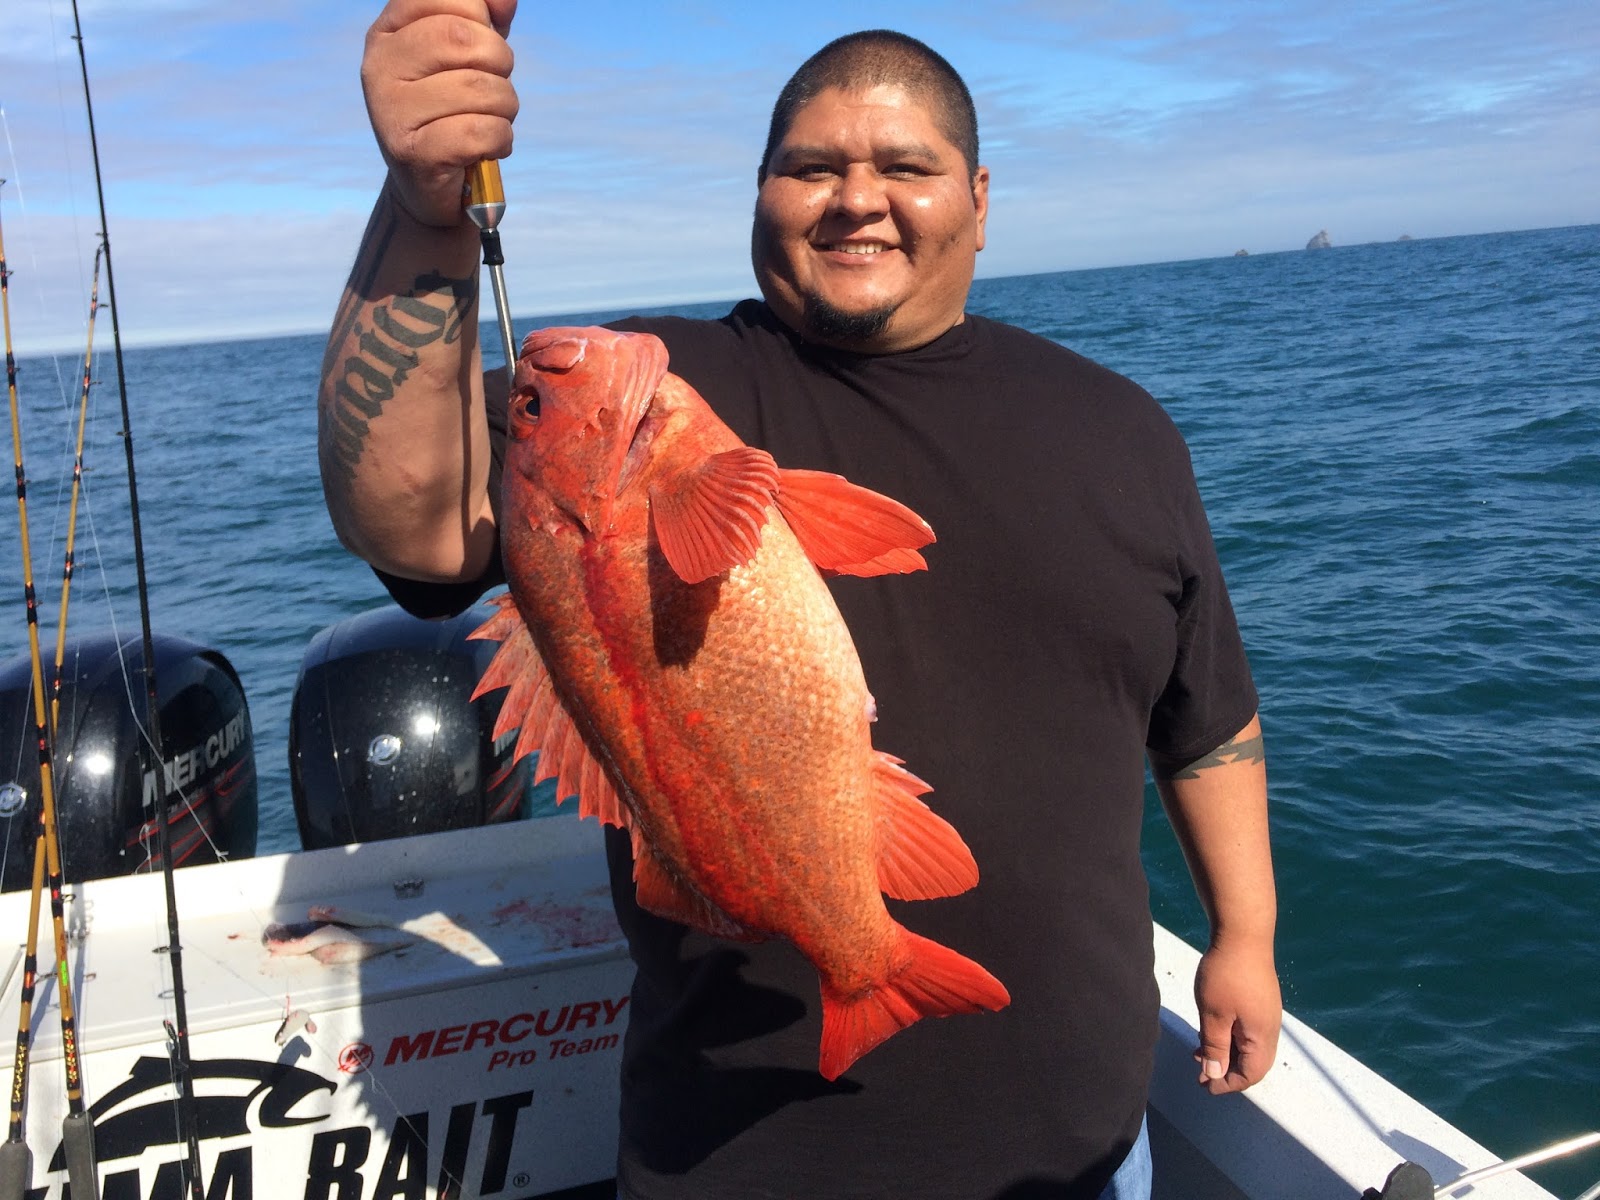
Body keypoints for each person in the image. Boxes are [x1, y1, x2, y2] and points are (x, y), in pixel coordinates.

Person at [319, 4, 1281, 1197]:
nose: (855, 198)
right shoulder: (657, 391)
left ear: (978, 197)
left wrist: (1244, 937)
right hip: (741, 1158)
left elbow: (1206, 720)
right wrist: (424, 209)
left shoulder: (1121, 429)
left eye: (906, 167)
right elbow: (410, 515)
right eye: (810, 167)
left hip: (1086, 1150)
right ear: (760, 193)